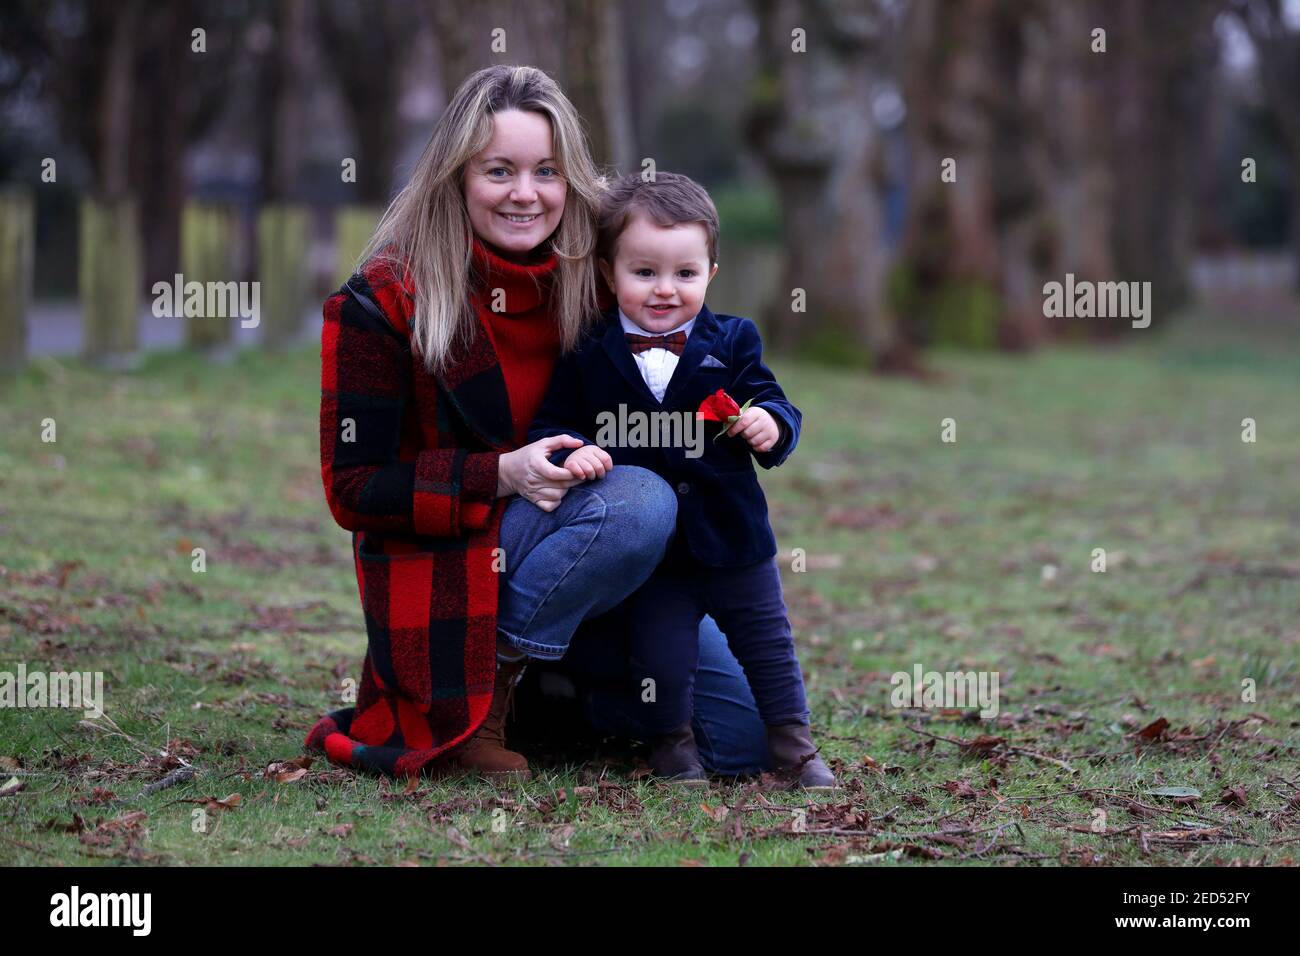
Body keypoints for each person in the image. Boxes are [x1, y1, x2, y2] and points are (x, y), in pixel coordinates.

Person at [304, 65, 768, 781]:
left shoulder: (600, 284)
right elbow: (354, 489)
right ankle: (486, 697)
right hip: (460, 559)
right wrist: (501, 473)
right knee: (638, 501)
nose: (526, 194)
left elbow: (702, 352)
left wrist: (753, 422)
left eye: (546, 171)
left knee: (740, 742)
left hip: (602, 556)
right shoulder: (383, 303)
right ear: (456, 176)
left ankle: (553, 696)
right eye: (499, 170)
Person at [527, 172, 837, 790]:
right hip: (656, 557)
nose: (665, 290)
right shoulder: (589, 350)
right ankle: (672, 746)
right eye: (644, 273)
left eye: (685, 274)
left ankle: (796, 749)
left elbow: (775, 401)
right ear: (610, 272)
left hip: (733, 539)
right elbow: (554, 424)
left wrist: (770, 425)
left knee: (768, 647)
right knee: (663, 660)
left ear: (711, 273)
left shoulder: (734, 340)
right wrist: (575, 454)